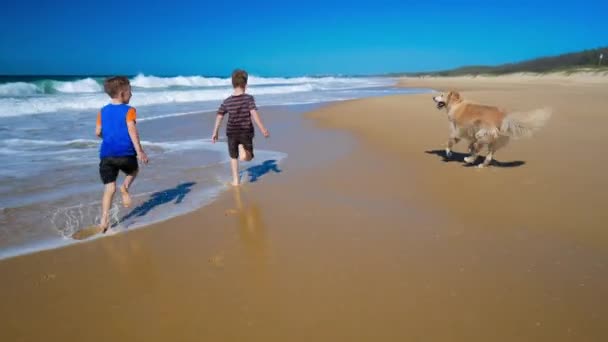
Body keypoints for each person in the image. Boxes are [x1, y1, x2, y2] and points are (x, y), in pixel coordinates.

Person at [95, 76, 148, 232]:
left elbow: (97, 132)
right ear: (123, 93)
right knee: (134, 170)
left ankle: (103, 221)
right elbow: (132, 130)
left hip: (106, 155)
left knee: (109, 189)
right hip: (125, 153)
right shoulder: (129, 110)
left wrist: (109, 137)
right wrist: (139, 151)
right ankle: (125, 187)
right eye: (130, 92)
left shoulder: (102, 111)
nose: (131, 95)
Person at [212, 69, 269, 186]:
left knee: (233, 157)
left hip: (231, 132)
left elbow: (219, 115)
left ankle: (236, 180)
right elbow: (254, 113)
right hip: (245, 131)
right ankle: (244, 152)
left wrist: (215, 132)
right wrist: (263, 129)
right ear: (246, 85)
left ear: (232, 84)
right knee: (249, 157)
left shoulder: (227, 101)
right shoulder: (249, 98)